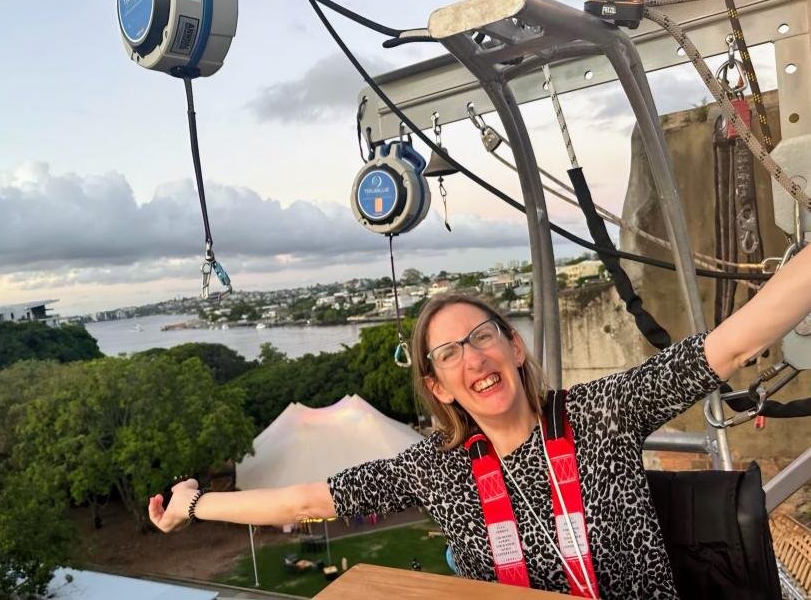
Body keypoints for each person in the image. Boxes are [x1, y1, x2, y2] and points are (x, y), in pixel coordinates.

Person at [149, 246, 811, 599]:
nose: (474, 358)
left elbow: (728, 344)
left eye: (483, 337)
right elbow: (303, 501)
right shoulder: (436, 470)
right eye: (449, 353)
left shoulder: (599, 414)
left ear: (515, 348)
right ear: (439, 385)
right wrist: (193, 506)